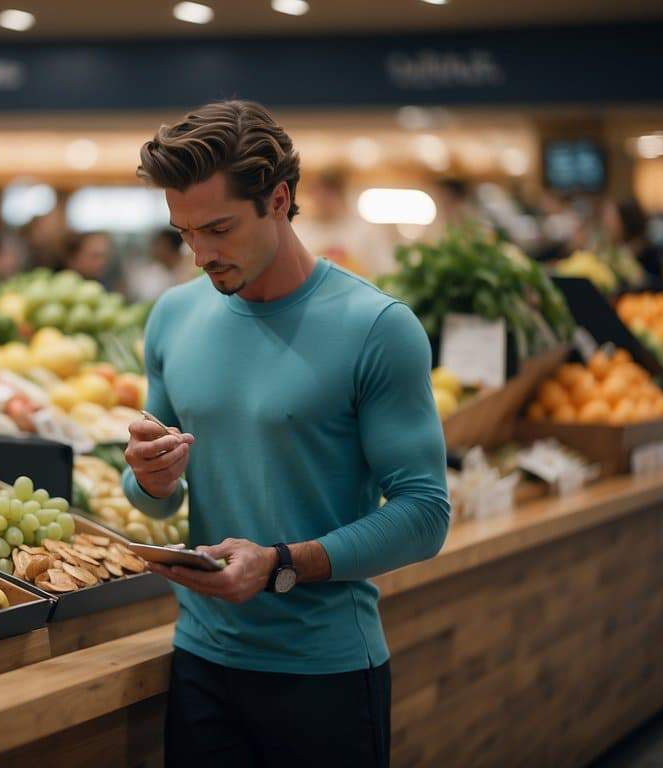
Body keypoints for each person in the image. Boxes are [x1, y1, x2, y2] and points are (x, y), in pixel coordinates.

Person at [126, 100, 450, 768]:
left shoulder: (377, 327)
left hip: (326, 674)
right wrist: (151, 478)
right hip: (199, 663)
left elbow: (425, 514)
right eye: (185, 233)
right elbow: (150, 492)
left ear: (279, 199)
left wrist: (279, 563)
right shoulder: (173, 316)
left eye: (218, 228)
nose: (202, 255)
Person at [125, 228, 191, 301]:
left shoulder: (188, 274)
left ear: (168, 246)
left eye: (158, 244)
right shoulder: (156, 272)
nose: (153, 248)